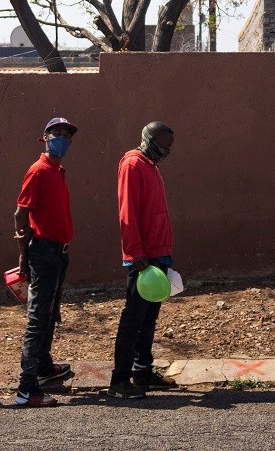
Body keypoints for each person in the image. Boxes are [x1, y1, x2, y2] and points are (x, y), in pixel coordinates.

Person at [108, 122, 180, 399]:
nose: (166, 151)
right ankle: (119, 380)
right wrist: (135, 252)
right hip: (143, 258)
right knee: (133, 318)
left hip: (158, 254)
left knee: (149, 317)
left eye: (169, 147)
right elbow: (127, 213)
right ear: (149, 139)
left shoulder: (151, 165)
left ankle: (142, 371)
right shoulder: (132, 164)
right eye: (163, 145)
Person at [12, 117, 80, 407]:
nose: (62, 138)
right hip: (43, 253)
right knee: (38, 319)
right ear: (45, 138)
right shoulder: (38, 170)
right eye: (56, 133)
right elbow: (20, 215)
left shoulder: (57, 170)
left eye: (66, 134)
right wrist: (23, 255)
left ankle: (43, 368)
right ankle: (26, 390)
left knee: (51, 313)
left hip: (58, 254)